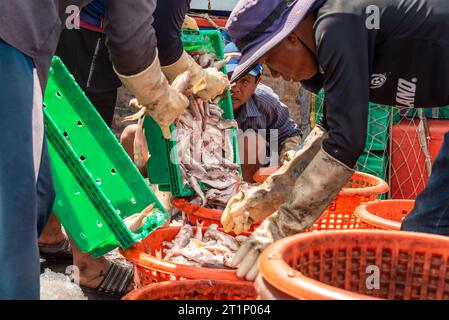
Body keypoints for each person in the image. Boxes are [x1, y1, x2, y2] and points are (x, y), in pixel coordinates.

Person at [0, 0, 229, 300]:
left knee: (38, 192)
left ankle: (52, 241)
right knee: (16, 213)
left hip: (27, 34)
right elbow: (137, 40)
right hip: (14, 38)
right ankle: (85, 265)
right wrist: (162, 96)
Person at [220, 0, 449, 281]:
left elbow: (346, 143)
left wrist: (280, 228)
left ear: (290, 37)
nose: (276, 75)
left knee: (426, 237)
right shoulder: (334, 34)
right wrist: (269, 195)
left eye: (268, 61)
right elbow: (329, 130)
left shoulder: (336, 24)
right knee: (423, 237)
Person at [224, 42, 302, 182]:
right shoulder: (205, 99)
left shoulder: (266, 102)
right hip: (213, 163)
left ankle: (242, 192)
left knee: (250, 141)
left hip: (251, 171)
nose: (235, 87)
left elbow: (289, 134)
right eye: (230, 77)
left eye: (245, 81)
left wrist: (288, 154)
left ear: (257, 82)